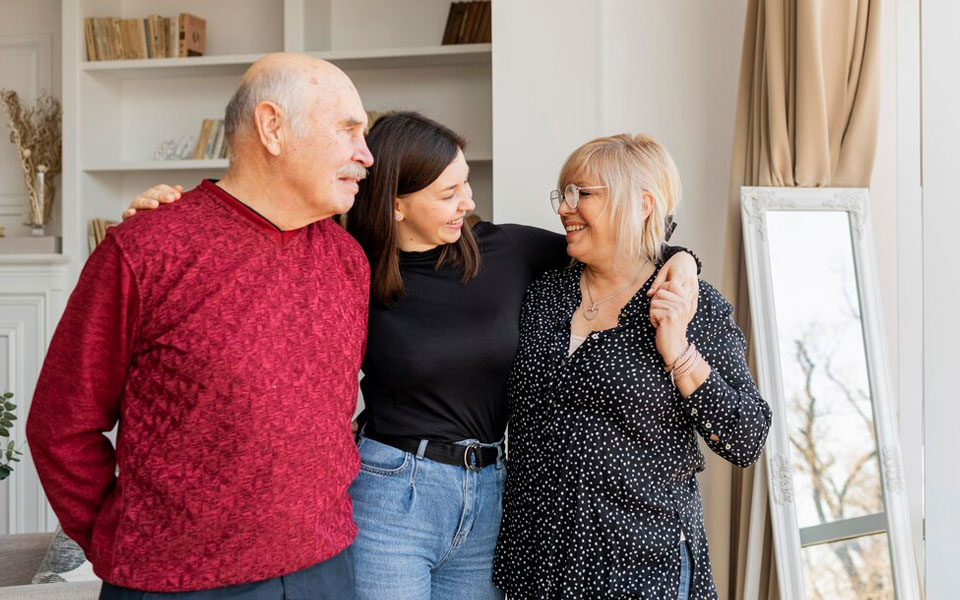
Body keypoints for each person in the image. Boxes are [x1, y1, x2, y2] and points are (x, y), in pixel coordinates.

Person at [123, 113, 702, 600]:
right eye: (449, 193)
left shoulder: (508, 251)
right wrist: (167, 217)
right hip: (391, 493)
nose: (469, 202)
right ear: (396, 204)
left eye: (466, 184)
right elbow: (246, 248)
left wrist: (685, 261)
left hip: (490, 494)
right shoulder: (343, 266)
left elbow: (626, 247)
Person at [27, 53, 374, 599]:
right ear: (272, 127)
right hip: (175, 583)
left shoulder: (348, 260)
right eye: (349, 130)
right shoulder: (144, 250)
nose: (366, 154)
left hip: (326, 570)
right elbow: (61, 426)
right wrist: (120, 543)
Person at [493, 134, 772, 600]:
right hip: (536, 567)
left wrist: (678, 351)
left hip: (640, 567)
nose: (565, 208)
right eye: (563, 193)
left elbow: (747, 439)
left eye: (582, 193)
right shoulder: (543, 293)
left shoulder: (692, 306)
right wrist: (682, 257)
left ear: (643, 203)